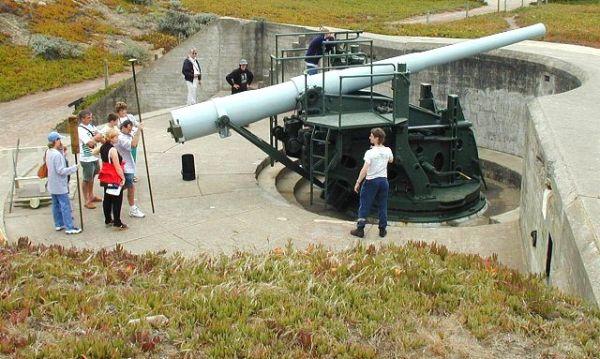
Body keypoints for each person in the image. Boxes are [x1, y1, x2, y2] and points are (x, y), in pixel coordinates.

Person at [351, 128, 394, 238]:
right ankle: (382, 229)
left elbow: (365, 169)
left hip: (371, 181)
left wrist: (358, 182)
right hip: (384, 181)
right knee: (382, 205)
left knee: (365, 204)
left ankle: (360, 229)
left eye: (371, 136)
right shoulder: (388, 150)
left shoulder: (370, 152)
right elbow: (391, 160)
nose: (369, 137)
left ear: (377, 138)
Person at [46, 131, 81, 234]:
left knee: (55, 205)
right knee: (65, 205)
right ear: (56, 141)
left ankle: (59, 223)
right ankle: (69, 227)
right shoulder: (57, 155)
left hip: (52, 184)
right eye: (59, 139)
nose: (61, 141)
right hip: (59, 184)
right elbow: (61, 170)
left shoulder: (49, 152)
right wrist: (73, 168)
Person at [97, 128, 127, 230]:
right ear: (111, 138)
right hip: (113, 176)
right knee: (117, 200)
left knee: (107, 198)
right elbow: (117, 166)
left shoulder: (102, 147)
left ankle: (108, 219)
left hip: (105, 175)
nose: (117, 138)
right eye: (116, 137)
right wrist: (122, 177)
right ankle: (117, 222)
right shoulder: (112, 150)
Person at [115, 119, 145, 218]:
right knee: (128, 187)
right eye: (128, 129)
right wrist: (138, 131)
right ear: (123, 127)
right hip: (124, 167)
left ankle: (111, 203)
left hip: (128, 166)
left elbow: (134, 131)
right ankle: (132, 208)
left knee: (126, 187)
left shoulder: (127, 133)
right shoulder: (121, 138)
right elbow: (133, 145)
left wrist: (137, 129)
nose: (130, 130)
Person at [77, 110, 103, 209]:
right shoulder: (80, 130)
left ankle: (91, 195)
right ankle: (86, 199)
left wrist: (97, 137)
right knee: (87, 178)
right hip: (86, 157)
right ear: (82, 119)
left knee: (93, 175)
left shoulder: (91, 126)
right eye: (88, 117)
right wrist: (97, 136)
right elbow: (90, 143)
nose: (91, 119)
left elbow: (100, 136)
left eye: (91, 117)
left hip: (94, 155)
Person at [115, 102, 140, 181]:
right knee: (124, 158)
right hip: (123, 141)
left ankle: (133, 174)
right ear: (118, 111)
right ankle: (125, 173)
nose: (123, 112)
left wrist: (139, 127)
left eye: (124, 110)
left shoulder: (130, 117)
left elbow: (136, 124)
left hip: (132, 138)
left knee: (133, 156)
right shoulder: (117, 120)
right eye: (121, 110)